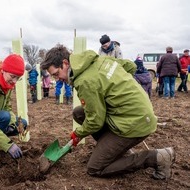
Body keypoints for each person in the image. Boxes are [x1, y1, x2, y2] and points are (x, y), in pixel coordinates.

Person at [40, 44, 175, 180]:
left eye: (57, 74)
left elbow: (95, 121)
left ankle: (157, 158)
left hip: (135, 122)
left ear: (65, 63)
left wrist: (77, 134)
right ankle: (120, 151)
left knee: (95, 168)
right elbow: (130, 66)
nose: (57, 79)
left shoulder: (85, 81)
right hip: (136, 112)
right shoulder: (100, 60)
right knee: (79, 113)